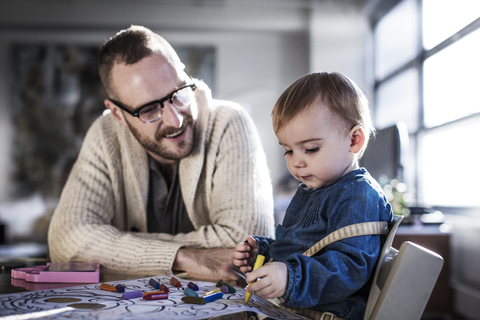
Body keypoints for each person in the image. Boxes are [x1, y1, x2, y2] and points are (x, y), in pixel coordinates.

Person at [48, 25, 275, 281]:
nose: (175, 120)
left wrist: (110, 244)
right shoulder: (105, 134)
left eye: (178, 94)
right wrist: (183, 257)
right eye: (148, 110)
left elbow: (248, 241)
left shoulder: (229, 122)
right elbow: (65, 240)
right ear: (117, 114)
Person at [234, 72, 393, 319]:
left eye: (311, 149)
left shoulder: (359, 195)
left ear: (354, 140)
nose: (297, 162)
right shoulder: (310, 191)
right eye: (288, 151)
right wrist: (262, 253)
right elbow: (299, 248)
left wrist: (291, 278)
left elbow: (349, 269)